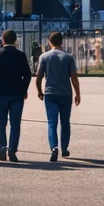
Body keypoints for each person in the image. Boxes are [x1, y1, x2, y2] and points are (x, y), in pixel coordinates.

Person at [0, 29, 33, 161]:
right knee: (15, 123)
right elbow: (28, 75)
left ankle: (2, 147)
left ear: (2, 40)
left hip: (1, 92)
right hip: (17, 92)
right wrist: (24, 89)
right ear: (15, 40)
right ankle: (12, 149)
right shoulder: (21, 55)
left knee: (1, 122)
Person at [35, 30, 81, 161]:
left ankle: (54, 147)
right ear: (62, 42)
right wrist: (78, 94)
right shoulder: (68, 57)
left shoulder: (44, 57)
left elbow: (38, 77)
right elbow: (74, 78)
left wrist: (39, 91)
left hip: (50, 94)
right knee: (65, 122)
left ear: (50, 42)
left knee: (52, 122)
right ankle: (65, 148)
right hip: (66, 94)